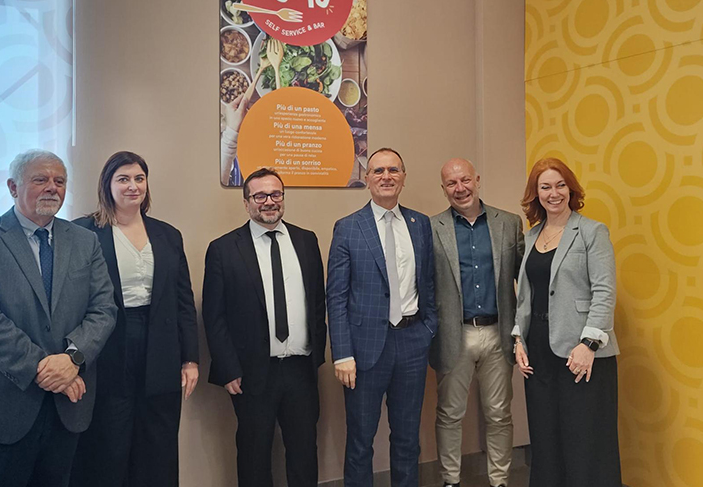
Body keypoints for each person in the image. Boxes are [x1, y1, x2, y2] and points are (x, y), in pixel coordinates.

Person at [0, 150, 117, 487]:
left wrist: (72, 358)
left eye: (59, 181)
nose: (52, 187)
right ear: (13, 187)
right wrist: (45, 367)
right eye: (40, 179)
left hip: (65, 408)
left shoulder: (85, 241)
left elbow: (104, 309)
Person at [68, 151, 200, 487]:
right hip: (108, 345)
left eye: (139, 178)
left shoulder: (168, 234)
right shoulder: (84, 232)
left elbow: (183, 301)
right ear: (107, 185)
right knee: (108, 444)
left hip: (160, 347)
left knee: (158, 443)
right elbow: (69, 302)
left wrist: (190, 359)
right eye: (123, 179)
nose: (133, 186)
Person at [203, 168, 327, 487]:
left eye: (275, 194)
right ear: (246, 203)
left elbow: (317, 302)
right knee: (254, 453)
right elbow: (214, 317)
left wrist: (317, 355)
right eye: (260, 196)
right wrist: (228, 368)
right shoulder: (223, 249)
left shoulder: (306, 240)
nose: (269, 201)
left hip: (300, 369)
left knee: (304, 451)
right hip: (251, 373)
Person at [327, 147, 437, 487]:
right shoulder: (348, 228)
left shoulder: (420, 224)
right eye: (378, 171)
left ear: (403, 177)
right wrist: (342, 353)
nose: (386, 176)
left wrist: (428, 329)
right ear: (367, 178)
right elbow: (337, 295)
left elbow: (429, 283)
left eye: (393, 170)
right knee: (361, 440)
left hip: (412, 342)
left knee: (407, 438)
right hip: (364, 350)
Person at [512, 157, 622, 487]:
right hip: (539, 350)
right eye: (545, 187)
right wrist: (518, 339)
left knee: (584, 438)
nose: (554, 193)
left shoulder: (591, 232)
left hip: (581, 352)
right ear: (536, 193)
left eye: (560, 185)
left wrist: (589, 344)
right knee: (545, 436)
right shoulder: (531, 237)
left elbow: (604, 290)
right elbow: (526, 294)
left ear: (571, 189)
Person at [430, 158, 524, 487]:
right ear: (443, 189)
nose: (460, 188)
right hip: (454, 335)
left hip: (498, 333)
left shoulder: (508, 223)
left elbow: (526, 282)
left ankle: (500, 481)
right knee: (449, 413)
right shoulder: (431, 228)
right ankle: (450, 480)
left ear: (477, 180)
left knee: (499, 413)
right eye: (451, 183)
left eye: (465, 180)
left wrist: (522, 333)